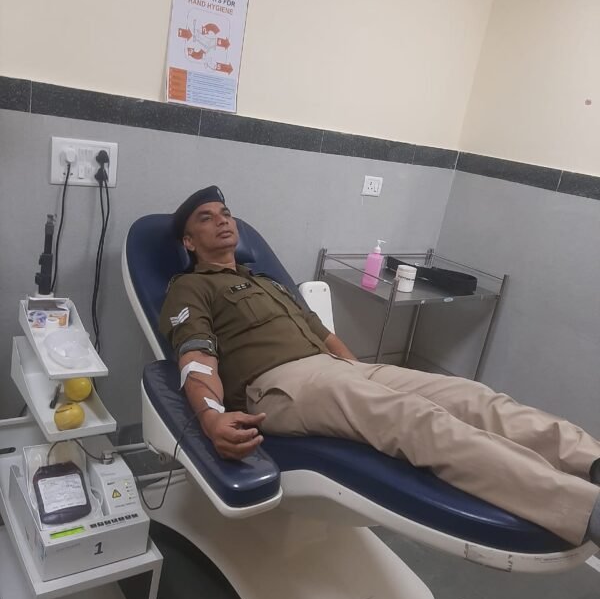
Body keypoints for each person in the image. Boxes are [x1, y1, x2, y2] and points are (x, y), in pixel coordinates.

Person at [159, 186, 600, 548]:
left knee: (472, 395)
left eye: (226, 213)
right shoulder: (191, 287)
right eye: (206, 218)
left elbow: (323, 333)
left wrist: (360, 372)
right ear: (189, 242)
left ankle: (589, 460)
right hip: (279, 387)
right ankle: (583, 509)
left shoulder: (267, 282)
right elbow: (196, 358)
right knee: (414, 417)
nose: (223, 220)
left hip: (339, 368)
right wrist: (211, 418)